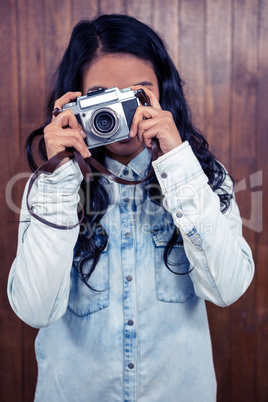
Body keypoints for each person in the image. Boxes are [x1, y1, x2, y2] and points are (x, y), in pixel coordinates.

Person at [7, 14, 254, 402]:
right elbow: (35, 311)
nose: (120, 115)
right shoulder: (51, 187)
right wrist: (60, 175)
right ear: (74, 101)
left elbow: (228, 290)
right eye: (102, 97)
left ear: (162, 97)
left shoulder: (203, 176)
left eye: (136, 97)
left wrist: (177, 165)